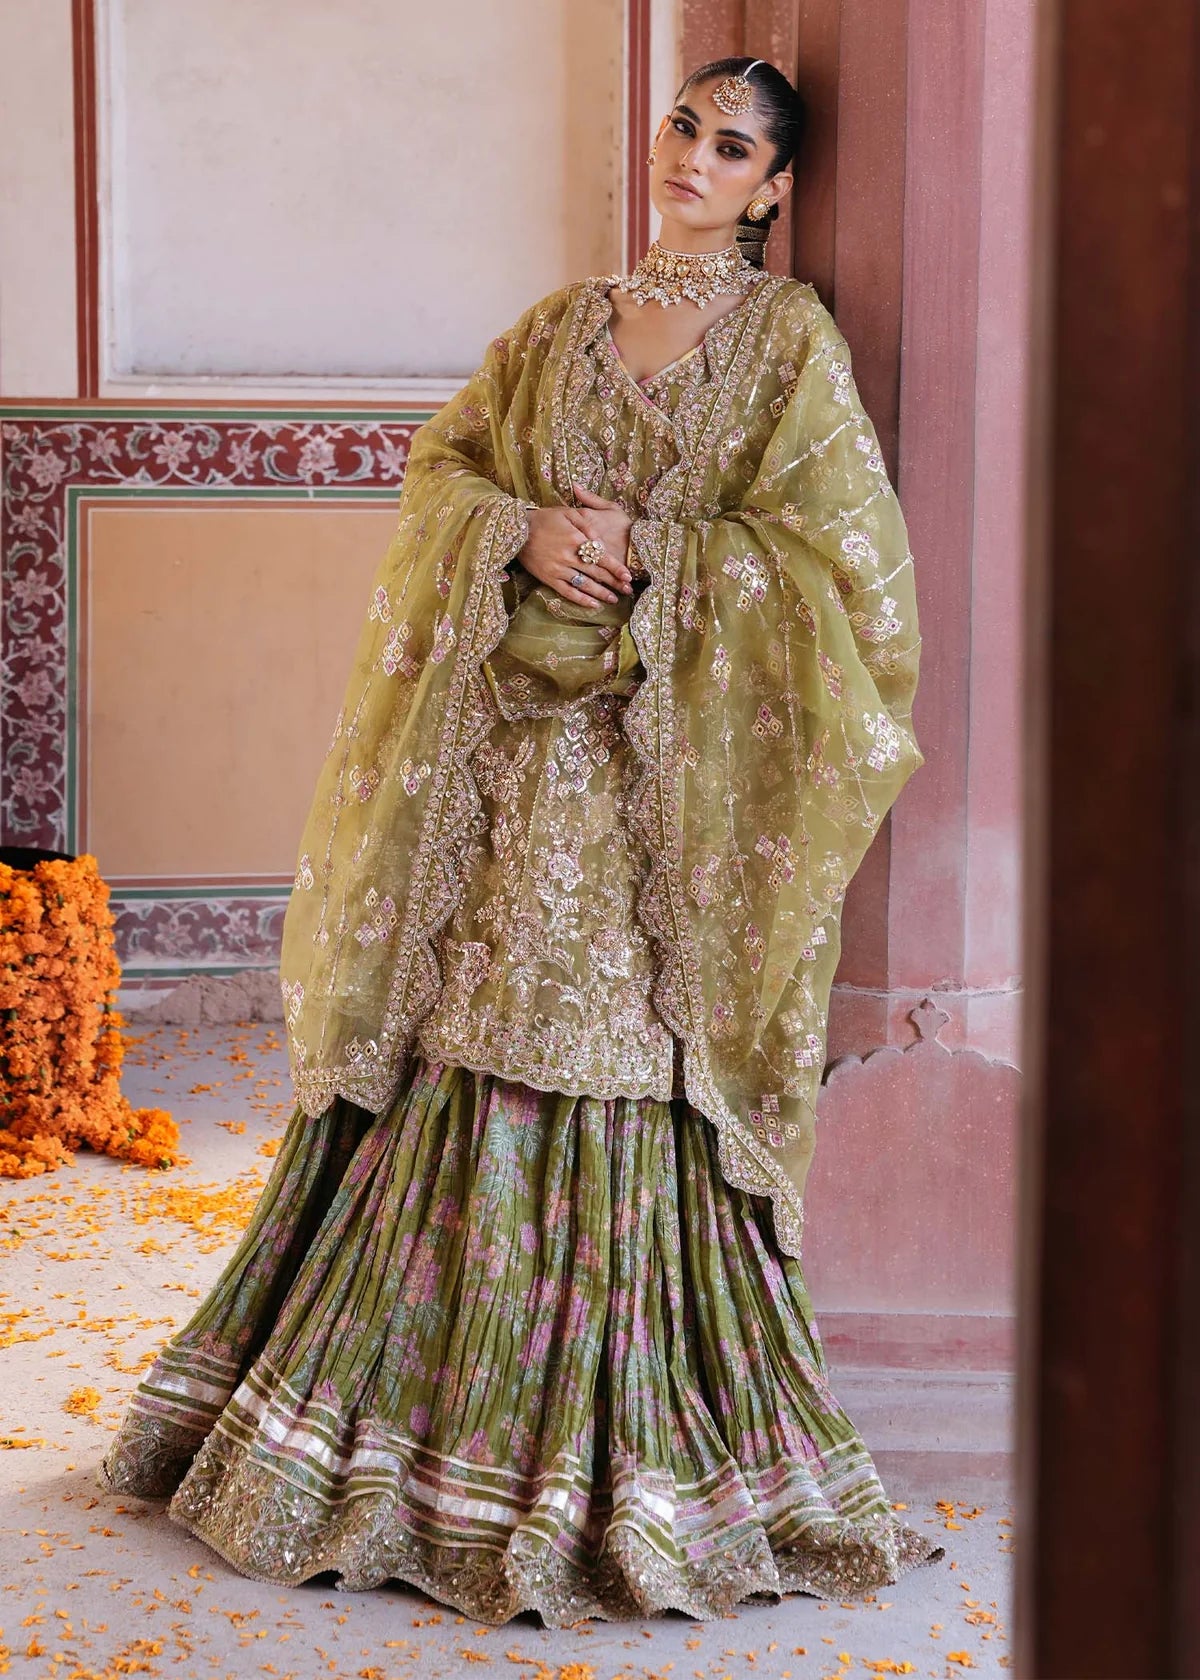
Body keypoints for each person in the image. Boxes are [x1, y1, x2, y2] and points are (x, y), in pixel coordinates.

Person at [102, 55, 943, 1625]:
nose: (693, 156)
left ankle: (600, 1451)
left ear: (773, 189)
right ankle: (397, 1433)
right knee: (469, 1035)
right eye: (684, 125)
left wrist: (665, 554)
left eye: (733, 146)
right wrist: (519, 531)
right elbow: (446, 472)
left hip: (655, 800)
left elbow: (846, 574)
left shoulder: (789, 344)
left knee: (617, 1052)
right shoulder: (558, 328)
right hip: (505, 775)